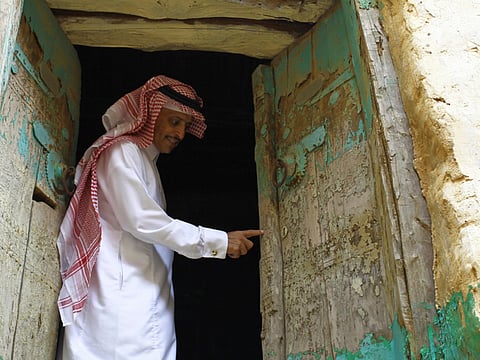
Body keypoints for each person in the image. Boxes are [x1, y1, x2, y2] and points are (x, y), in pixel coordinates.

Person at [56, 75, 263, 360]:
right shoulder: (122, 152)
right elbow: (142, 220)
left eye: (186, 126)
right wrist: (219, 242)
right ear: (149, 115)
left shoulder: (146, 162)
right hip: (120, 302)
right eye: (174, 121)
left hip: (142, 298)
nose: (180, 134)